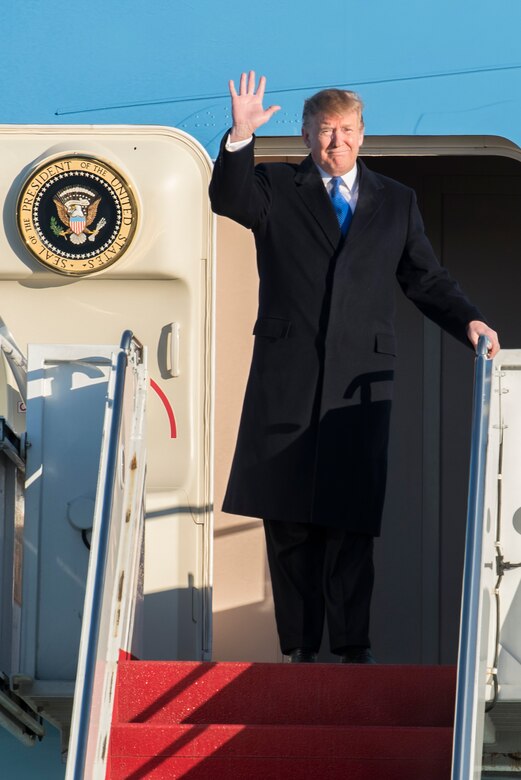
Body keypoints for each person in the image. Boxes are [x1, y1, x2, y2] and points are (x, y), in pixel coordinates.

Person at [209, 71, 499, 664]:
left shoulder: (396, 200)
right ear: (307, 134)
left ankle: (351, 647)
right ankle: (298, 648)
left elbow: (425, 277)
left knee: (350, 518)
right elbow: (228, 200)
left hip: (358, 380)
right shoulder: (274, 186)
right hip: (287, 374)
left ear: (362, 136)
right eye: (323, 130)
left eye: (345, 130)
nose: (334, 141)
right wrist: (240, 135)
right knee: (288, 518)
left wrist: (467, 320)